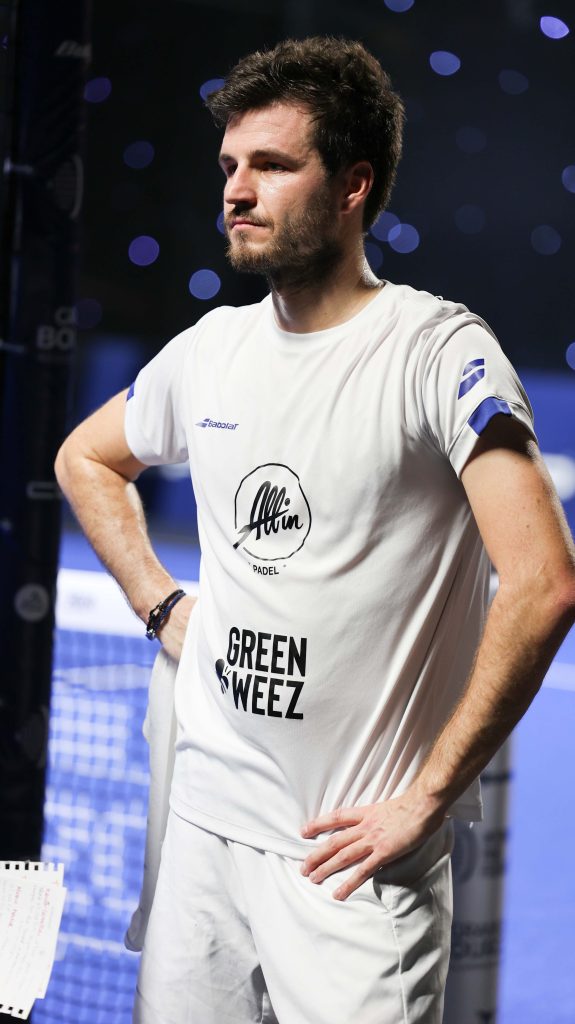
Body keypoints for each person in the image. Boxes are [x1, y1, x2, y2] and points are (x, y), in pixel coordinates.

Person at [55, 36, 575, 1024]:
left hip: (349, 866)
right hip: (201, 834)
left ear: (352, 185)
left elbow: (545, 580)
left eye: (272, 164)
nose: (236, 191)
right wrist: (160, 603)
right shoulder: (210, 348)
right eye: (229, 166)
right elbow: (86, 458)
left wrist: (424, 799)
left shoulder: (435, 351)